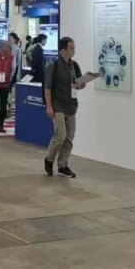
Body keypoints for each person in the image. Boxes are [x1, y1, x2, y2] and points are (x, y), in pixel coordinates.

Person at [44, 36, 85, 179]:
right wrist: (49, 106)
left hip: (71, 106)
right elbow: (47, 88)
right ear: (63, 50)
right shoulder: (53, 66)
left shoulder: (75, 66)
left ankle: (62, 165)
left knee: (69, 137)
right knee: (60, 136)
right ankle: (49, 158)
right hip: (58, 106)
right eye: (71, 48)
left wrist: (81, 84)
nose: (73, 51)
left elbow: (79, 83)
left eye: (74, 48)